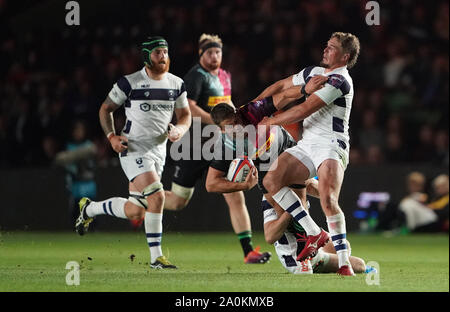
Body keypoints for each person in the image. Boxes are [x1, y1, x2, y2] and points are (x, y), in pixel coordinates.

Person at [206, 104, 369, 274]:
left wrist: (329, 198)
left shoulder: (262, 124)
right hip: (294, 255)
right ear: (222, 130)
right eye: (229, 126)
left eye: (236, 122)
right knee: (359, 264)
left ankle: (315, 239)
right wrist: (244, 186)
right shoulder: (227, 149)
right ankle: (308, 254)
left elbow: (278, 96)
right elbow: (211, 184)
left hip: (285, 157)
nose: (236, 128)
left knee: (344, 244)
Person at [75, 36, 191, 269]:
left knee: (136, 211)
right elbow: (106, 109)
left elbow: (185, 115)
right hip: (133, 148)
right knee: (157, 197)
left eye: (166, 52)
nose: (163, 57)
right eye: (158, 52)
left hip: (159, 152)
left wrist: (179, 129)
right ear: (147, 56)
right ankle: (156, 258)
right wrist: (111, 137)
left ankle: (89, 208)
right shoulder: (130, 82)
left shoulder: (176, 83)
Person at [251, 32, 361, 276]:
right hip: (307, 144)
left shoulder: (340, 81)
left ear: (344, 56)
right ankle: (313, 232)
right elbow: (280, 86)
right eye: (326, 44)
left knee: (328, 200)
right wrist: (252, 108)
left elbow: (303, 109)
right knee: (271, 180)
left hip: (332, 145)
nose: (326, 49)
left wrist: (270, 122)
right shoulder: (314, 72)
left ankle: (344, 264)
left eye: (331, 48)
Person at [163, 34, 270, 264]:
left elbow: (227, 105)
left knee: (235, 195)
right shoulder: (196, 76)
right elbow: (188, 108)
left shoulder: (224, 76)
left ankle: (248, 251)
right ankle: (145, 199)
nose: (214, 56)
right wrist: (218, 123)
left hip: (218, 146)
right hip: (194, 146)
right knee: (177, 201)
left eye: (218, 52)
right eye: (210, 52)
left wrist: (237, 122)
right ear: (201, 54)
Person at [54, 119, 97, 226]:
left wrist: (70, 156)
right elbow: (59, 160)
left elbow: (93, 151)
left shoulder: (89, 145)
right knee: (75, 213)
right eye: (76, 130)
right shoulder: (70, 146)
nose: (78, 133)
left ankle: (93, 232)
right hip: (76, 185)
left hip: (89, 184)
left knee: (92, 212)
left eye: (80, 130)